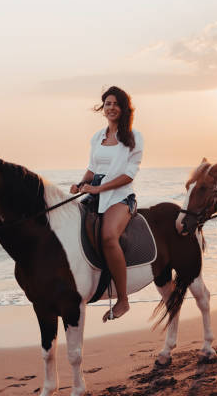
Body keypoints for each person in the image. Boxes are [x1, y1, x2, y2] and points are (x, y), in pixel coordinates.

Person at [70, 86, 143, 321]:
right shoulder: (97, 137)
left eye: (116, 104)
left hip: (120, 196)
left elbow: (129, 175)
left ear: (123, 109)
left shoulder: (133, 137)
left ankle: (123, 300)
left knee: (108, 236)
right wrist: (81, 183)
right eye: (107, 104)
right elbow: (93, 168)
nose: (111, 108)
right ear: (104, 108)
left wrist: (99, 188)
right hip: (94, 193)